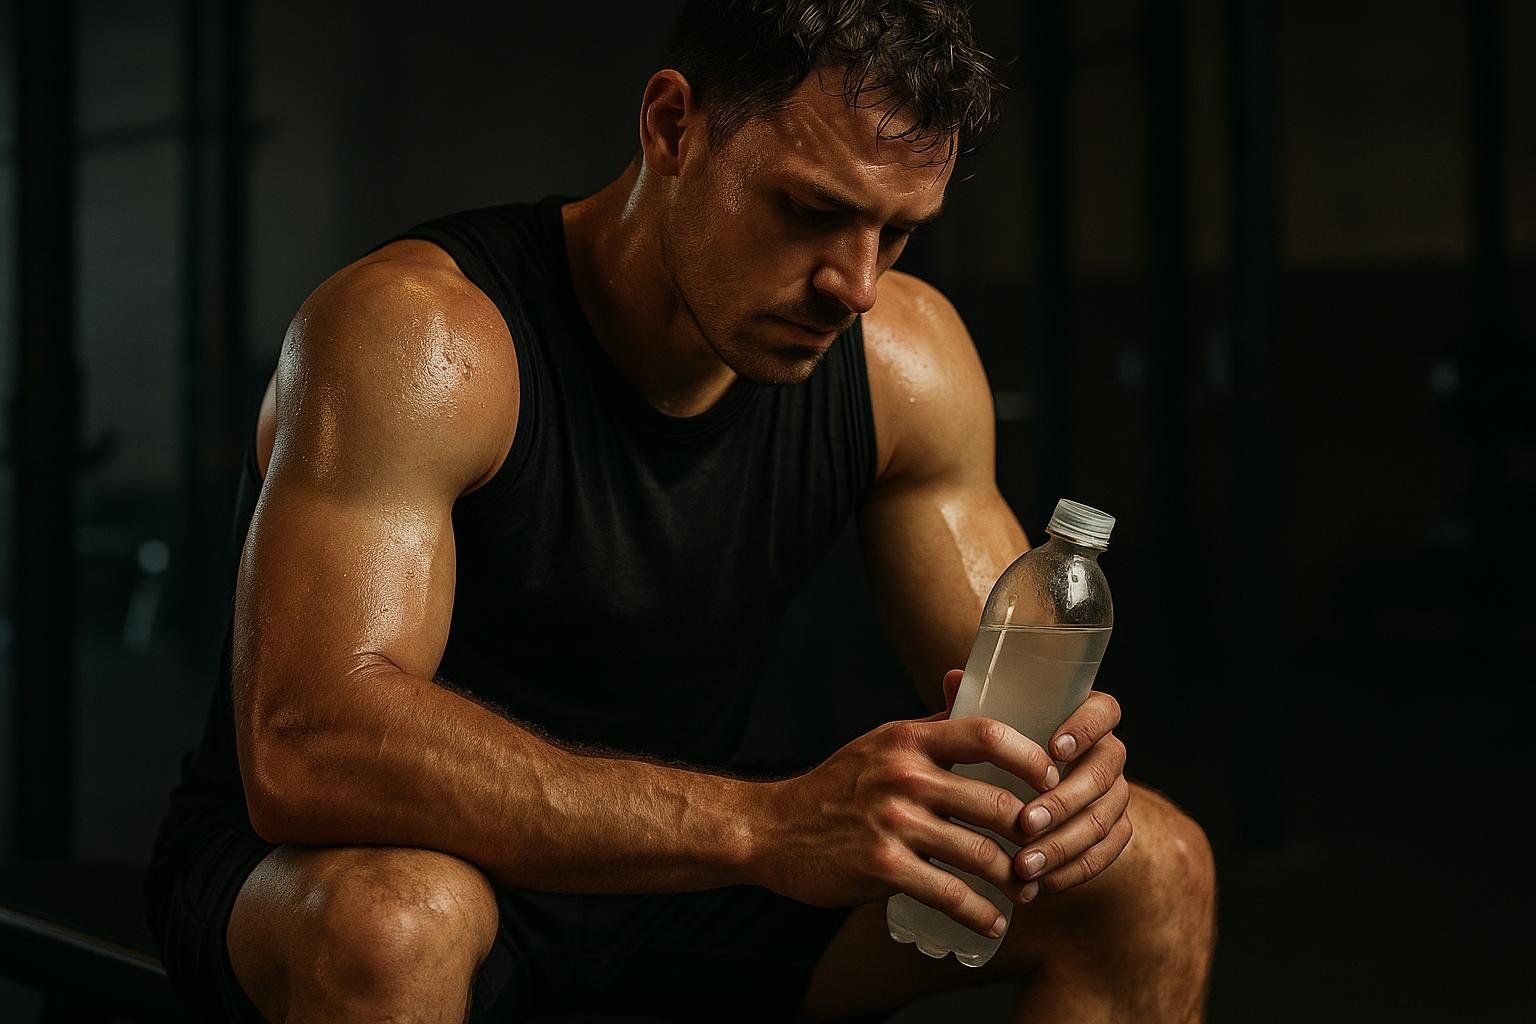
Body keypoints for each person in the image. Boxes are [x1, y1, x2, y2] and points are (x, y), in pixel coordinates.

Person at [143, 2, 1216, 1021]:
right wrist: (765, 825)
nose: (854, 285)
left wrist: (1059, 777)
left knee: (1157, 868)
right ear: (672, 127)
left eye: (896, 233)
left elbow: (1006, 705)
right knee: (396, 924)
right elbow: (311, 749)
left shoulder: (906, 363)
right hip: (369, 858)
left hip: (673, 865)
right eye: (811, 211)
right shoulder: (424, 336)